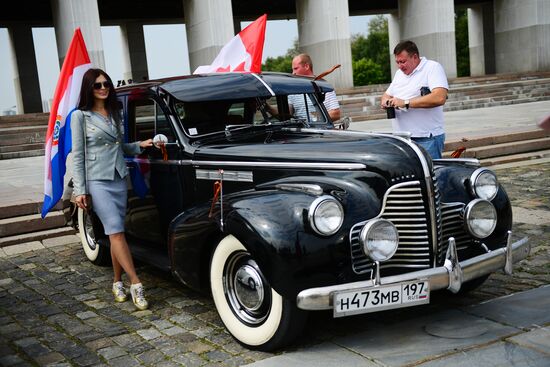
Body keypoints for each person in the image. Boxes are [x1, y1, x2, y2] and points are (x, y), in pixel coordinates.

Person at [71, 68, 153, 310]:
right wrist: (80, 190)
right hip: (97, 181)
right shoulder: (80, 116)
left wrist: (140, 145)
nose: (103, 88)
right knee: (115, 232)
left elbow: (119, 147)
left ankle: (117, 282)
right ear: (89, 88)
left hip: (119, 178)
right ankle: (136, 283)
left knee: (117, 234)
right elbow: (78, 155)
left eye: (106, 83)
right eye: (97, 85)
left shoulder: (114, 112)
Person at [380, 41, 449, 159]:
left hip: (427, 138)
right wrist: (386, 102)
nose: (400, 66)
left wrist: (406, 102)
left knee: (430, 176)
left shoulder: (432, 68)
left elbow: (439, 97)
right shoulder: (399, 74)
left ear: (415, 57)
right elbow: (386, 95)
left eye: (403, 61)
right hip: (402, 139)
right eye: (397, 62)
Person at [290, 54, 341, 122]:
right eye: (293, 69)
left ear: (306, 66)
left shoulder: (323, 86)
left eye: (296, 68)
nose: (293, 73)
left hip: (320, 131)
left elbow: (335, 114)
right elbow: (286, 115)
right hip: (300, 132)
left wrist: (312, 121)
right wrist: (270, 108)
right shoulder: (292, 89)